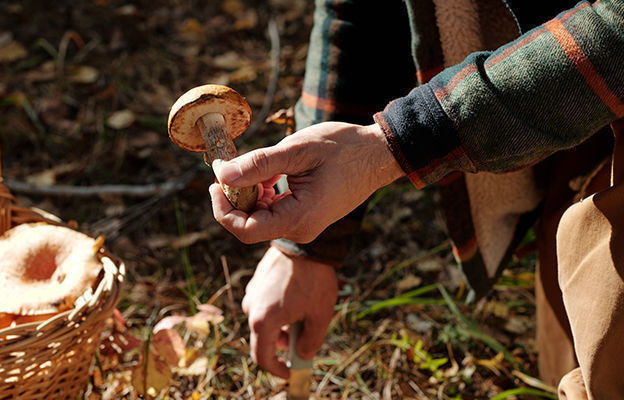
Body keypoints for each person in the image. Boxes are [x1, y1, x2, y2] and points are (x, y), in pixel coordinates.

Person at [209, 0, 624, 398]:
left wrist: (396, 142)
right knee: (580, 348)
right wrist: (309, 246)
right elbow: (359, 11)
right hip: (559, 148)